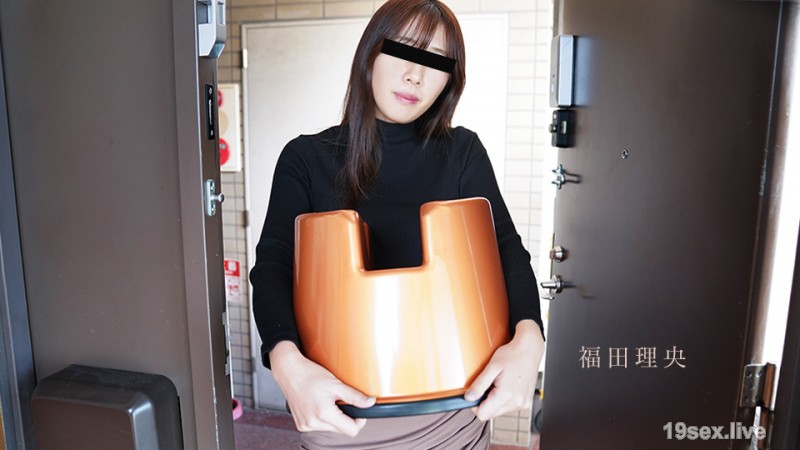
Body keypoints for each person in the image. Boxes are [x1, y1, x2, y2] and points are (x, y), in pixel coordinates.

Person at [249, 0, 545, 448]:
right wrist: (287, 365)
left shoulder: (463, 152)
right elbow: (273, 266)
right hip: (342, 417)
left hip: (454, 412)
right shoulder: (304, 158)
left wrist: (530, 337)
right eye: (403, 49)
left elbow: (505, 248)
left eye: (436, 61)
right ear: (370, 52)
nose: (415, 75)